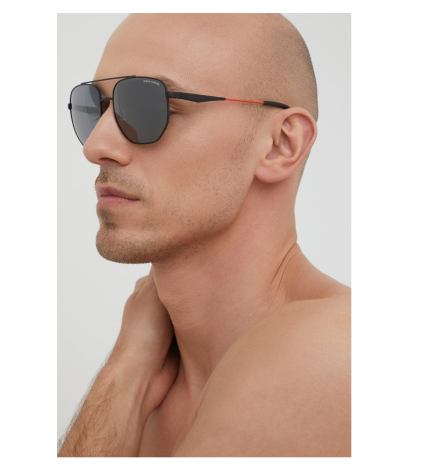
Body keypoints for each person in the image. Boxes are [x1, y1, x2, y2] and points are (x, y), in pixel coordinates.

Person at [58, 13, 351, 457]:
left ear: (281, 144)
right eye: (95, 107)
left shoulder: (334, 349)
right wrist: (127, 368)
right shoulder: (146, 373)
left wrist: (124, 378)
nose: (96, 146)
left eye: (148, 106)